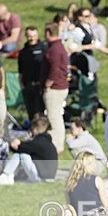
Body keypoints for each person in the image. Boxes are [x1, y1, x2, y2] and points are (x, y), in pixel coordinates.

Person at [0, 115, 58, 185]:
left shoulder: (38, 142)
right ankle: (8, 175)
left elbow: (21, 148)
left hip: (41, 179)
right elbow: (27, 147)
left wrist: (16, 144)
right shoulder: (46, 142)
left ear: (36, 129)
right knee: (23, 154)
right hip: (48, 177)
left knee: (22, 155)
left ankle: (6, 175)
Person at [42, 22, 69, 155]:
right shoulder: (58, 46)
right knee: (57, 117)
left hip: (55, 88)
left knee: (54, 118)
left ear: (48, 33)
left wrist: (48, 83)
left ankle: (57, 146)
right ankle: (58, 144)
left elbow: (55, 69)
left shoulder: (54, 49)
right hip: (61, 86)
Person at [17, 26, 47, 120]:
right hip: (28, 85)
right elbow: (20, 70)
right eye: (30, 36)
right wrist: (22, 84)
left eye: (34, 36)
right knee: (31, 111)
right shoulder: (23, 52)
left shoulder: (44, 49)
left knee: (40, 111)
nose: (32, 38)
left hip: (40, 84)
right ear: (26, 36)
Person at [66, 151, 104, 216]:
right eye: (94, 162)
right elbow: (106, 203)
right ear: (87, 165)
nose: (95, 165)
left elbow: (69, 204)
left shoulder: (69, 181)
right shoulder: (96, 180)